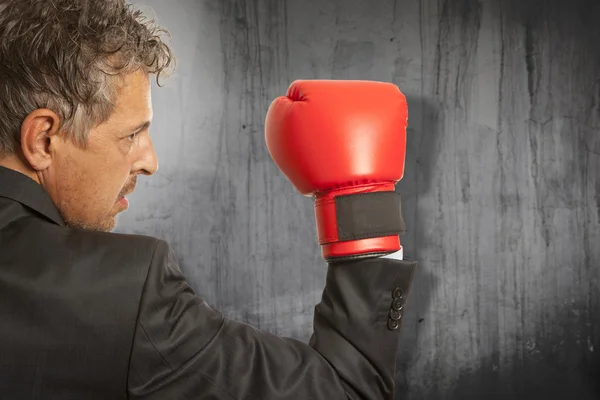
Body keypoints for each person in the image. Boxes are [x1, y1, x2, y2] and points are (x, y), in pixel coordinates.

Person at [0, 0, 417, 399]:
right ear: (43, 139)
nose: (150, 161)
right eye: (131, 135)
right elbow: (346, 390)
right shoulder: (117, 292)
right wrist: (364, 205)